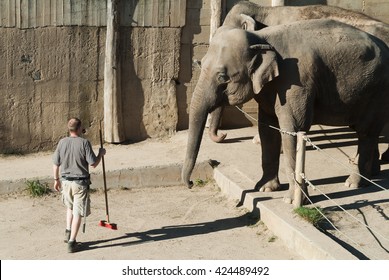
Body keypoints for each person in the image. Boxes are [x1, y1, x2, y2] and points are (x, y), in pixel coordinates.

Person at [53, 118, 106, 253]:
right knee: (78, 213)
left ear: (69, 128)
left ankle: (68, 231)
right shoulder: (84, 143)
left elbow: (56, 163)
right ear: (79, 128)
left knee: (70, 207)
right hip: (80, 183)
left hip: (65, 182)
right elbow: (93, 163)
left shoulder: (62, 142)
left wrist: (56, 179)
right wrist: (100, 153)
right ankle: (72, 242)